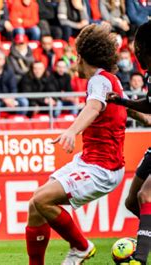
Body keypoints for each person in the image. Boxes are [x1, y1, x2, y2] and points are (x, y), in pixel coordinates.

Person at [26, 24, 127, 265]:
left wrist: (72, 130)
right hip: (89, 160)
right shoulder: (110, 80)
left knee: (42, 199)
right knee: (35, 206)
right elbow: (122, 107)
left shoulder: (98, 82)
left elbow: (93, 107)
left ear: (80, 58)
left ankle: (81, 247)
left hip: (103, 168)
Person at [106, 21, 151, 265]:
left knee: (147, 195)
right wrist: (123, 102)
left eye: (139, 49)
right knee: (132, 201)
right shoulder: (150, 74)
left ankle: (139, 259)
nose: (136, 54)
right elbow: (149, 104)